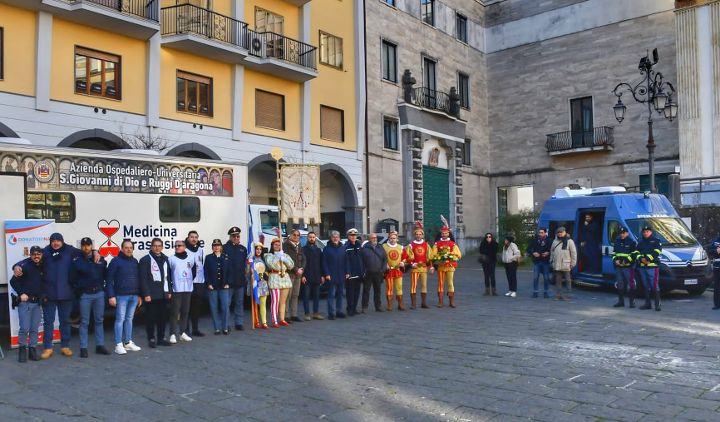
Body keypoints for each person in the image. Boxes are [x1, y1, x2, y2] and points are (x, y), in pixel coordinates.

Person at [13, 232, 95, 359]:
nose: (55, 243)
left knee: (65, 321)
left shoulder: (70, 250)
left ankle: (65, 346)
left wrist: (95, 252)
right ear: (50, 242)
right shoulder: (45, 252)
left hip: (66, 293)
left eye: (58, 241)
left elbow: (85, 253)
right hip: (49, 294)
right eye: (53, 241)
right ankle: (48, 347)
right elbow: (29, 260)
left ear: (62, 241)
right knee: (48, 322)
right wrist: (17, 266)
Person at [70, 237, 109, 357]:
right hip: (85, 294)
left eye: (88, 245)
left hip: (98, 293)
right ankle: (83, 348)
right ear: (81, 247)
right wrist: (79, 292)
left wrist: (103, 290)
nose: (86, 247)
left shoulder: (100, 259)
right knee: (84, 322)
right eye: (83, 245)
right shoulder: (76, 261)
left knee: (99, 320)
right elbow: (72, 279)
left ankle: (100, 345)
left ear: (91, 246)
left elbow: (105, 275)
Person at [106, 239, 142, 355]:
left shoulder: (135, 261)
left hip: (134, 295)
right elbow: (109, 279)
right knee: (120, 320)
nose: (129, 249)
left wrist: (139, 295)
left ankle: (128, 342)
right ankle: (118, 344)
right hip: (121, 296)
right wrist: (111, 295)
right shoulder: (115, 261)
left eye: (131, 247)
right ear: (121, 249)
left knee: (129, 319)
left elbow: (138, 279)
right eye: (126, 247)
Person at [10, 246, 46, 362]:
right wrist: (21, 293)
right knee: (24, 328)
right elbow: (12, 281)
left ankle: (32, 350)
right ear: (30, 255)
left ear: (41, 255)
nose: (36, 256)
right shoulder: (24, 266)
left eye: (38, 254)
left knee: (34, 328)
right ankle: (22, 350)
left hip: (37, 303)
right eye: (34, 254)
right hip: (25, 302)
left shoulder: (43, 265)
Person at [139, 237, 173, 348]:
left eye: (159, 246)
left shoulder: (166, 259)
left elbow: (168, 277)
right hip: (151, 295)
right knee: (150, 318)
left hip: (163, 294)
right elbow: (143, 279)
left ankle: (161, 338)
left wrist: (169, 291)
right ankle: (151, 338)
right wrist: (146, 294)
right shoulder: (145, 260)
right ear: (151, 247)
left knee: (162, 318)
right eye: (155, 246)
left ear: (162, 247)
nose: (157, 248)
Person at [168, 240, 195, 343]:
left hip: (187, 289)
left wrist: (189, 282)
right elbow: (169, 274)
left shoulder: (190, 258)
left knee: (185, 311)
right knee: (174, 312)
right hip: (176, 289)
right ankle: (172, 334)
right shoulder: (171, 259)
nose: (177, 247)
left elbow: (193, 271)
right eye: (176, 246)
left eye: (179, 245)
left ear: (184, 247)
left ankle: (182, 333)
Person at [204, 239, 232, 335]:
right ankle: (216, 328)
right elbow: (206, 272)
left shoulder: (226, 257)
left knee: (225, 307)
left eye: (218, 245)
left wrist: (228, 282)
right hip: (213, 286)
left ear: (221, 247)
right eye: (214, 245)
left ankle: (225, 327)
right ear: (212, 247)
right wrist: (208, 283)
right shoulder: (208, 258)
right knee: (213, 307)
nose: (216, 247)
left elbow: (230, 272)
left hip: (224, 286)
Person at [265, 237, 294, 327]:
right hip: (274, 277)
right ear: (272, 246)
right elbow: (271, 265)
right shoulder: (268, 255)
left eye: (278, 245)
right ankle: (274, 320)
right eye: (275, 245)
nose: (277, 246)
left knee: (283, 301)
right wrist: (277, 257)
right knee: (275, 301)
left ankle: (282, 319)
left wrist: (284, 258)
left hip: (284, 278)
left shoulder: (284, 255)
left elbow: (291, 265)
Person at [404, 222, 434, 309]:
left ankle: (423, 303)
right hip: (415, 268)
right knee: (413, 286)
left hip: (423, 268)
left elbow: (429, 257)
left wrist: (431, 266)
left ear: (422, 235)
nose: (418, 236)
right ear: (414, 235)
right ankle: (413, 304)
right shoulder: (411, 245)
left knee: (424, 285)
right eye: (416, 234)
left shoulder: (426, 245)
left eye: (420, 234)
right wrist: (411, 264)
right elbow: (406, 257)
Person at [431, 225, 462, 308]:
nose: (444, 235)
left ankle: (451, 301)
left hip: (450, 266)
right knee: (440, 283)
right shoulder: (437, 244)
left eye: (446, 233)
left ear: (448, 234)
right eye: (443, 233)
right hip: (441, 266)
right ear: (441, 234)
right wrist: (438, 258)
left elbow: (458, 254)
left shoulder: (452, 244)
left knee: (450, 283)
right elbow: (433, 254)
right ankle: (440, 301)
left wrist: (451, 255)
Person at [224, 226, 248, 331]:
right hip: (228, 281)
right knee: (227, 304)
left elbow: (245, 265)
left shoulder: (243, 249)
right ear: (230, 237)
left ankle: (239, 323)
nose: (236, 238)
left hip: (240, 280)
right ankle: (226, 324)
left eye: (238, 236)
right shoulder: (224, 248)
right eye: (234, 236)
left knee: (239, 303)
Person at [634, 225, 662, 311]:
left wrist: (647, 259)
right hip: (642, 266)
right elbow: (636, 251)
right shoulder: (641, 242)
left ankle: (657, 304)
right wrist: (640, 258)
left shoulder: (656, 241)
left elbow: (657, 251)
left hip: (652, 266)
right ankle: (648, 304)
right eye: (644, 232)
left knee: (654, 285)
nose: (645, 233)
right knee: (646, 285)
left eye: (647, 231)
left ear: (651, 232)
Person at [184, 230, 206, 337]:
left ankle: (195, 329)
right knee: (187, 307)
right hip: (188, 282)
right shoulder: (184, 250)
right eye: (191, 237)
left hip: (199, 282)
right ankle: (186, 330)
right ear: (188, 238)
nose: (193, 239)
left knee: (196, 308)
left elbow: (201, 264)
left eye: (195, 237)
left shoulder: (200, 250)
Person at [282, 229, 306, 323]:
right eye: (294, 235)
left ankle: (294, 314)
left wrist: (302, 269)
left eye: (298, 235)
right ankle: (286, 315)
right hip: (290, 273)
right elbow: (286, 260)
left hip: (299, 274)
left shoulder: (299, 245)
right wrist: (296, 269)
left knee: (296, 295)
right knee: (288, 295)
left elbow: (304, 258)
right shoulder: (286, 245)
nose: (296, 237)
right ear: (290, 235)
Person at [322, 230, 346, 320]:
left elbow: (346, 261)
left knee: (340, 294)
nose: (335, 238)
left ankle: (339, 311)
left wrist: (347, 272)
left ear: (339, 238)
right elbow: (324, 262)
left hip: (341, 275)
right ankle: (331, 313)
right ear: (331, 238)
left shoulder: (343, 248)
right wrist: (327, 273)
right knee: (331, 295)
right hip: (331, 275)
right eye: (333, 237)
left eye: (337, 237)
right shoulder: (327, 248)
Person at [361, 233, 387, 312]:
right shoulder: (365, 248)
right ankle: (364, 307)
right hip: (368, 272)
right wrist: (363, 271)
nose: (374, 239)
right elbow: (361, 261)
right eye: (372, 238)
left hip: (378, 272)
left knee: (378, 290)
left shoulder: (380, 247)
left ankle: (378, 306)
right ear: (369, 239)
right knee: (366, 290)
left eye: (375, 237)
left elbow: (385, 259)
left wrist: (383, 270)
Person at [550, 227, 577, 301]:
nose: (560, 234)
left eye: (561, 232)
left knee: (568, 280)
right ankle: (558, 295)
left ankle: (568, 295)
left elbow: (573, 253)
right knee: (558, 281)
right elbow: (552, 251)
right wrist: (551, 261)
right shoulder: (554, 241)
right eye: (558, 233)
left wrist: (573, 263)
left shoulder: (569, 241)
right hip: (557, 264)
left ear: (564, 232)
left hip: (566, 264)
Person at [301, 232, 324, 320]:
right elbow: (302, 264)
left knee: (316, 296)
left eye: (313, 237)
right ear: (307, 238)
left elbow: (321, 263)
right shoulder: (303, 249)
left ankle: (315, 313)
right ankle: (307, 314)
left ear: (315, 238)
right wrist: (303, 275)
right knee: (306, 296)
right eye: (310, 237)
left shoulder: (318, 250)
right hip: (307, 276)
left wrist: (322, 275)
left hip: (317, 276)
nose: (312, 239)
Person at [247, 242, 270, 329]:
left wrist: (265, 278)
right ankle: (256, 321)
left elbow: (267, 272)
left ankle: (264, 322)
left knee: (263, 304)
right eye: (257, 249)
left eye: (260, 249)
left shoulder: (263, 259)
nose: (258, 251)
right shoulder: (251, 260)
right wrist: (249, 268)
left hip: (263, 283)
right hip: (255, 284)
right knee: (255, 304)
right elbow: (247, 273)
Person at [383, 231, 405, 311]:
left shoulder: (400, 247)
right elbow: (381, 257)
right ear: (388, 238)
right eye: (391, 238)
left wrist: (403, 262)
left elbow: (405, 256)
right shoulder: (384, 246)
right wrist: (385, 264)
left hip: (398, 270)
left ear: (397, 239)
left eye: (394, 238)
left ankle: (400, 304)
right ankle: (389, 304)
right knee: (389, 288)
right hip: (389, 271)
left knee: (399, 287)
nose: (392, 240)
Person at [344, 228, 364, 316]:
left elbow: (362, 259)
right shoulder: (346, 246)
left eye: (354, 235)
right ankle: (350, 309)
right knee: (350, 293)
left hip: (358, 272)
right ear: (348, 236)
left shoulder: (359, 245)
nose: (353, 237)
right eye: (351, 235)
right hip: (350, 274)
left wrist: (363, 270)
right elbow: (345, 261)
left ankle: (354, 308)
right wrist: (347, 272)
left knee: (357, 292)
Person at [528, 228, 552, 298]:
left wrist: (548, 253)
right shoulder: (535, 240)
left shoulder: (549, 240)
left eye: (542, 233)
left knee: (546, 278)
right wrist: (533, 253)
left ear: (545, 233)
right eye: (539, 233)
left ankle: (546, 292)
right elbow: (528, 249)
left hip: (545, 262)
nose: (540, 234)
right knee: (535, 277)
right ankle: (535, 292)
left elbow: (553, 249)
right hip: (537, 261)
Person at [712, 236, 720, 310]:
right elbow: (710, 250)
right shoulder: (716, 241)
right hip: (717, 267)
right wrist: (716, 251)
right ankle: (717, 304)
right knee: (717, 287)